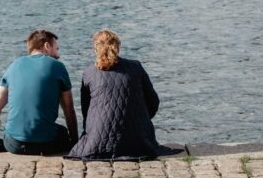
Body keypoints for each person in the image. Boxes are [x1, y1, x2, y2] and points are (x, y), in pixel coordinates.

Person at [67, 29, 180, 161]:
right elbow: (153, 101)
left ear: (95, 49)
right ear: (118, 47)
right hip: (138, 139)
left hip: (97, 141)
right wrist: (140, 118)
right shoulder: (136, 67)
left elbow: (87, 109)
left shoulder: (89, 73)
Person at [0, 29, 78, 155]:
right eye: (56, 49)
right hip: (46, 143)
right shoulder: (57, 66)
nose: (58, 54)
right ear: (47, 46)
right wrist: (76, 141)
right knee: (63, 133)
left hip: (13, 144)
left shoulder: (14, 65)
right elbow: (69, 109)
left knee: (10, 130)